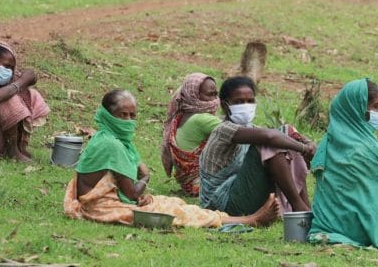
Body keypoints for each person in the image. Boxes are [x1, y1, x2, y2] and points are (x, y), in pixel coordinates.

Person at [64, 89, 279, 228]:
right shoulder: (112, 145)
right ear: (109, 115)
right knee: (174, 212)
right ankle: (249, 220)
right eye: (123, 115)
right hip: (102, 208)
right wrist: (146, 177)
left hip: (101, 202)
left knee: (173, 202)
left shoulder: (109, 138)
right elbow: (131, 194)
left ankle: (238, 219)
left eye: (133, 115)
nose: (129, 122)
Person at [308, 78, 378, 251]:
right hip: (357, 229)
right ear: (358, 108)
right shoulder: (364, 147)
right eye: (376, 106)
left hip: (330, 223)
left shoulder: (330, 139)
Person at [199, 76, 316, 216]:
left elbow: (281, 135)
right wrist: (303, 148)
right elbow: (269, 137)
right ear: (225, 105)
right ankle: (298, 206)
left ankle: (306, 207)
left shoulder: (251, 128)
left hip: (243, 193)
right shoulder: (223, 129)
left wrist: (308, 143)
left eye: (250, 101)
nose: (245, 105)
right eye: (239, 102)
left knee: (284, 138)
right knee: (271, 142)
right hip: (221, 203)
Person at [0, 41, 50, 163]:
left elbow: (22, 83)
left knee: (27, 93)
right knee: (9, 98)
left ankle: (19, 146)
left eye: (12, 68)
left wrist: (26, 79)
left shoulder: (1, 84)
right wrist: (22, 82)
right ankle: (13, 151)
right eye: (7, 67)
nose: (10, 72)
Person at [161, 73, 222, 196]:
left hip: (189, 185)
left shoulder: (180, 116)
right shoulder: (201, 119)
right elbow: (237, 132)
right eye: (210, 94)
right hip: (204, 187)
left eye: (216, 94)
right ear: (193, 95)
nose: (215, 99)